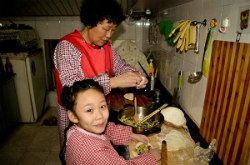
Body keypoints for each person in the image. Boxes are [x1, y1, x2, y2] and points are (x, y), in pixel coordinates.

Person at [54, 0, 148, 147]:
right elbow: (70, 87)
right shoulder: (68, 46)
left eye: (113, 30)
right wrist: (114, 82)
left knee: (100, 148)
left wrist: (135, 75)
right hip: (77, 118)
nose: (109, 35)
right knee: (79, 153)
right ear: (90, 22)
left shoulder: (106, 46)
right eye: (106, 28)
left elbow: (120, 65)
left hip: (99, 113)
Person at [60, 79, 161, 164]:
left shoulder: (77, 128)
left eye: (102, 106)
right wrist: (150, 158)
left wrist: (130, 135)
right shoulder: (95, 153)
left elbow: (108, 129)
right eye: (89, 110)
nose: (99, 116)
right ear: (73, 116)